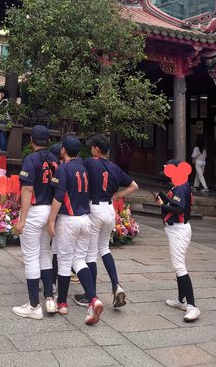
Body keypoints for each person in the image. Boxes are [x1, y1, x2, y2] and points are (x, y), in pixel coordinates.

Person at [74, 133, 139, 308]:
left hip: (94, 208)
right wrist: (118, 195)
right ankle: (116, 285)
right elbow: (134, 186)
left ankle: (91, 295)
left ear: (96, 149)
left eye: (92, 147)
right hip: (109, 209)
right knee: (104, 249)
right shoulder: (114, 167)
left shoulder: (89, 162)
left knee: (90, 254)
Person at [47, 135, 104, 325]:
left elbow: (59, 195)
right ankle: (93, 299)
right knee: (79, 260)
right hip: (85, 219)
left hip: (68, 220)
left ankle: (62, 303)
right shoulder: (83, 168)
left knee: (64, 262)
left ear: (63, 150)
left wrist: (51, 220)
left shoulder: (63, 169)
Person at [12, 125, 59, 320]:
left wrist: (22, 220)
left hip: (34, 210)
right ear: (48, 141)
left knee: (31, 256)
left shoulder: (30, 159)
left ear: (31, 140)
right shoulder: (55, 160)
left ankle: (34, 305)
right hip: (50, 211)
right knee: (45, 253)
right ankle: (50, 298)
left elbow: (27, 189)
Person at [154, 159, 200, 322]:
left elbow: (179, 209)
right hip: (177, 228)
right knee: (178, 265)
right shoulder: (181, 185)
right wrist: (165, 202)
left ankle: (192, 306)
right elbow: (177, 205)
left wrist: (162, 205)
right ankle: (181, 300)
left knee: (180, 266)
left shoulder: (180, 187)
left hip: (179, 229)